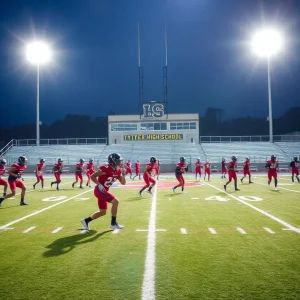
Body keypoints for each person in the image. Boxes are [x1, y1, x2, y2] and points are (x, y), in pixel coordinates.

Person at [81, 153, 126, 230]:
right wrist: (99, 184)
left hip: (104, 191)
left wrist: (124, 175)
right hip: (99, 190)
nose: (120, 162)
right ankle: (113, 223)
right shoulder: (106, 168)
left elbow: (123, 183)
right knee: (116, 202)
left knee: (102, 212)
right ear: (113, 161)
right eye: (118, 161)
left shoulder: (118, 171)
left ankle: (86, 220)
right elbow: (92, 176)